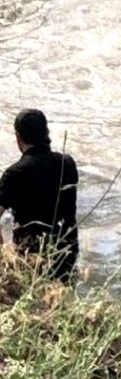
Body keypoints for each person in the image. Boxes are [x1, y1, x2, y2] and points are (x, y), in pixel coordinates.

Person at [0, 109, 79, 282]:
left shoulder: (14, 173)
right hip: (66, 253)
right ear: (46, 133)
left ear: (18, 138)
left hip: (31, 257)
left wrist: (5, 250)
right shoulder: (68, 163)